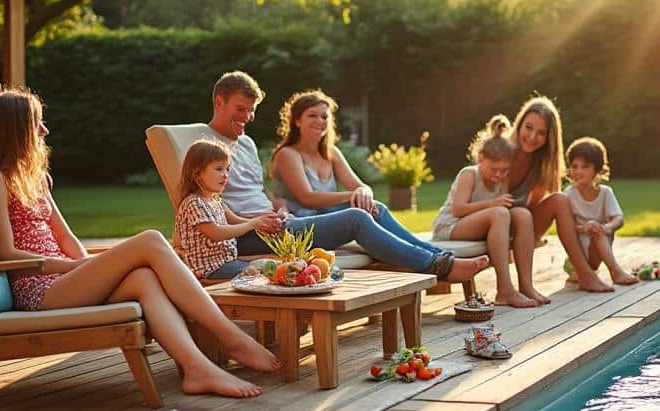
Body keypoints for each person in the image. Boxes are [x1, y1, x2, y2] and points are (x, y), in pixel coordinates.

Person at [0, 88, 280, 399]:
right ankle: (230, 336)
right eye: (36, 123)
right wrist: (77, 267)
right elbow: (6, 253)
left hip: (66, 279)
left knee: (144, 278)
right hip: (38, 289)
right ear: (13, 130)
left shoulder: (36, 177)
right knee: (152, 240)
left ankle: (197, 369)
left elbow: (65, 237)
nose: (44, 130)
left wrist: (90, 265)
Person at [201, 71, 489, 283]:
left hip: (277, 223)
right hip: (247, 234)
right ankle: (441, 267)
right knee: (356, 218)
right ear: (218, 102)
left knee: (372, 209)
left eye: (252, 110)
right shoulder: (203, 145)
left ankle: (440, 258)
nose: (248, 117)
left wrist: (277, 208)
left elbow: (256, 191)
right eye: (241, 109)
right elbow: (209, 202)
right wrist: (254, 222)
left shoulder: (247, 143)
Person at [430, 115, 547, 308]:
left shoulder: (502, 179)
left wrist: (505, 204)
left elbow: (502, 209)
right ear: (481, 158)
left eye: (504, 170)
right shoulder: (469, 174)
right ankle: (505, 290)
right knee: (499, 212)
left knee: (523, 215)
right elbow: (458, 209)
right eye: (494, 169)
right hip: (451, 226)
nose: (499, 175)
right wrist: (493, 204)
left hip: (480, 224)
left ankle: (526, 286)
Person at [503, 96, 614, 292]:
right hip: (492, 219)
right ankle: (526, 287)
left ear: (548, 138)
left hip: (519, 224)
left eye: (541, 133)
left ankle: (585, 274)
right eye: (528, 127)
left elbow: (534, 207)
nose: (532, 136)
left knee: (560, 200)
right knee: (522, 214)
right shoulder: (502, 152)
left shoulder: (542, 164)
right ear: (519, 124)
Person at [174, 139, 279, 279]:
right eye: (219, 169)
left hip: (227, 262)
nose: (225, 175)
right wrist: (252, 224)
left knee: (270, 264)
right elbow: (216, 233)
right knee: (263, 271)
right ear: (197, 173)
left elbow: (235, 221)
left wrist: (259, 222)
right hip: (210, 269)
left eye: (227, 169)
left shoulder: (216, 201)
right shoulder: (194, 203)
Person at [563, 137, 637, 286]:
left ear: (597, 169)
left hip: (597, 249)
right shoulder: (568, 194)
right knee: (594, 229)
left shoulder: (605, 192)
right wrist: (584, 228)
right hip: (576, 259)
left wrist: (607, 227)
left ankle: (612, 271)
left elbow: (618, 218)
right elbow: (565, 228)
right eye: (574, 166)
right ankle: (612, 271)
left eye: (584, 167)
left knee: (598, 230)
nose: (578, 171)